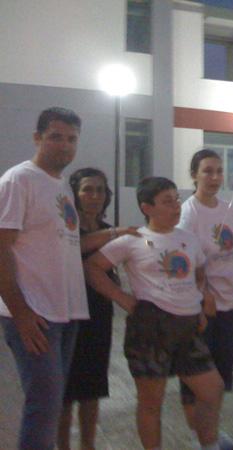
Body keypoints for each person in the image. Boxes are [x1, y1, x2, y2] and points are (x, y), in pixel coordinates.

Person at [84, 177, 224, 450]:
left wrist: (199, 300)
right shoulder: (132, 240)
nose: (176, 206)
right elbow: (93, 267)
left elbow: (198, 273)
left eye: (176, 199)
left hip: (188, 328)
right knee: (151, 402)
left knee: (212, 389)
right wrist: (123, 299)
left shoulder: (188, 239)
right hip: (150, 329)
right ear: (147, 208)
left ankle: (209, 445)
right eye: (167, 201)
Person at [0, 107, 88, 450]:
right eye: (55, 137)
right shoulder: (18, 180)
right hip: (34, 315)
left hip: (64, 313)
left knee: (51, 404)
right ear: (37, 138)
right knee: (44, 406)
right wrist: (21, 313)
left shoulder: (62, 186)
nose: (64, 145)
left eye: (71, 139)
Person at [58, 168, 139, 450]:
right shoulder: (67, 226)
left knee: (93, 387)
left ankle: (88, 445)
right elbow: (75, 247)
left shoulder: (106, 228)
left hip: (99, 313)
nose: (94, 196)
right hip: (68, 313)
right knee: (66, 391)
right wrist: (117, 232)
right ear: (75, 193)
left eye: (100, 190)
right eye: (87, 190)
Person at [178, 149, 233, 449]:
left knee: (220, 376)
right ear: (194, 175)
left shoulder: (229, 211)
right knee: (197, 376)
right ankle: (199, 438)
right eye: (207, 171)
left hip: (230, 304)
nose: (214, 177)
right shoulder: (188, 213)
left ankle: (211, 434)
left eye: (219, 171)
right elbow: (184, 263)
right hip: (202, 308)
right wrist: (203, 296)